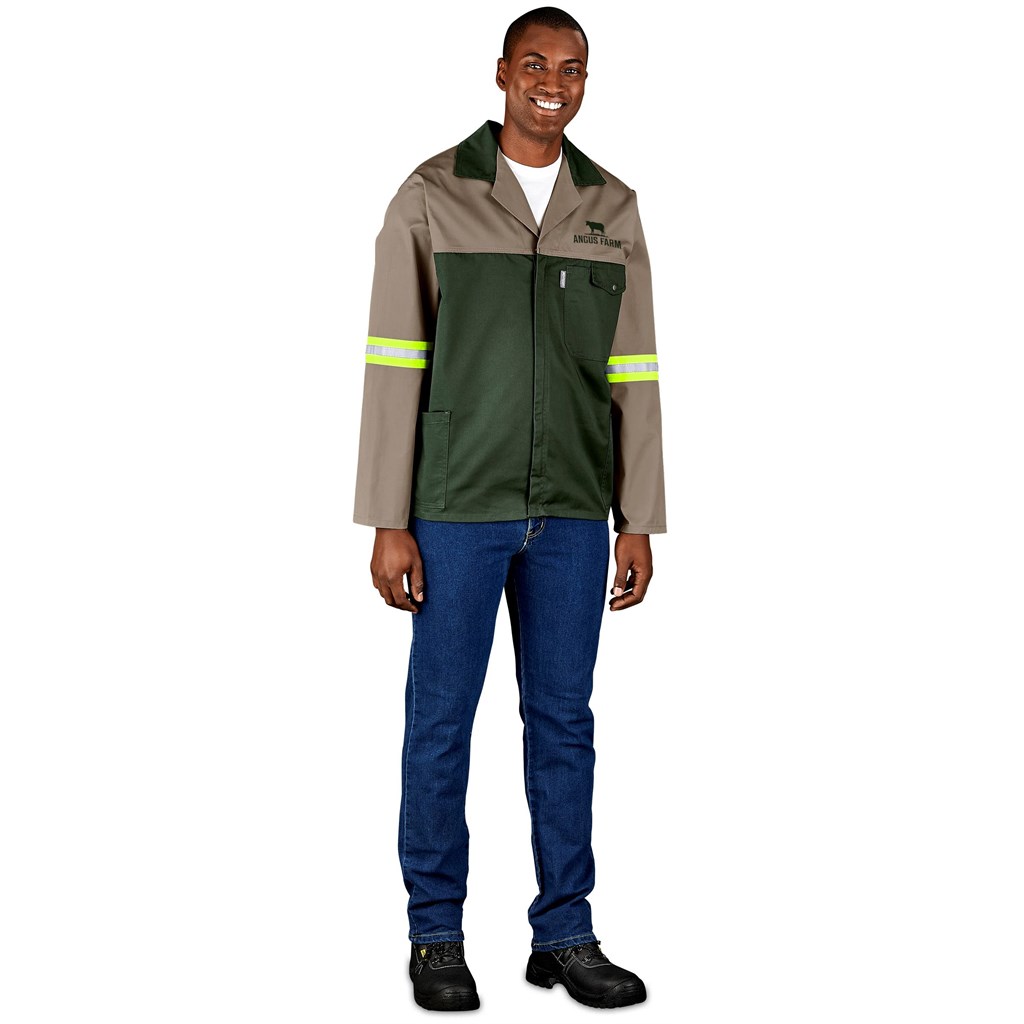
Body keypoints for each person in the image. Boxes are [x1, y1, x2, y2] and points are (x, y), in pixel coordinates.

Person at [353, 6, 666, 1012]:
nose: (552, 83)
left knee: (564, 724)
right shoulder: (432, 195)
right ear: (501, 73)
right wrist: (388, 518)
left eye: (571, 69)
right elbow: (394, 361)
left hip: (573, 511)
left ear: (585, 82)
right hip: (454, 506)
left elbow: (634, 372)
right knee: (440, 723)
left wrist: (638, 515)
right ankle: (435, 934)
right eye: (535, 64)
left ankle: (563, 933)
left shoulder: (610, 206)